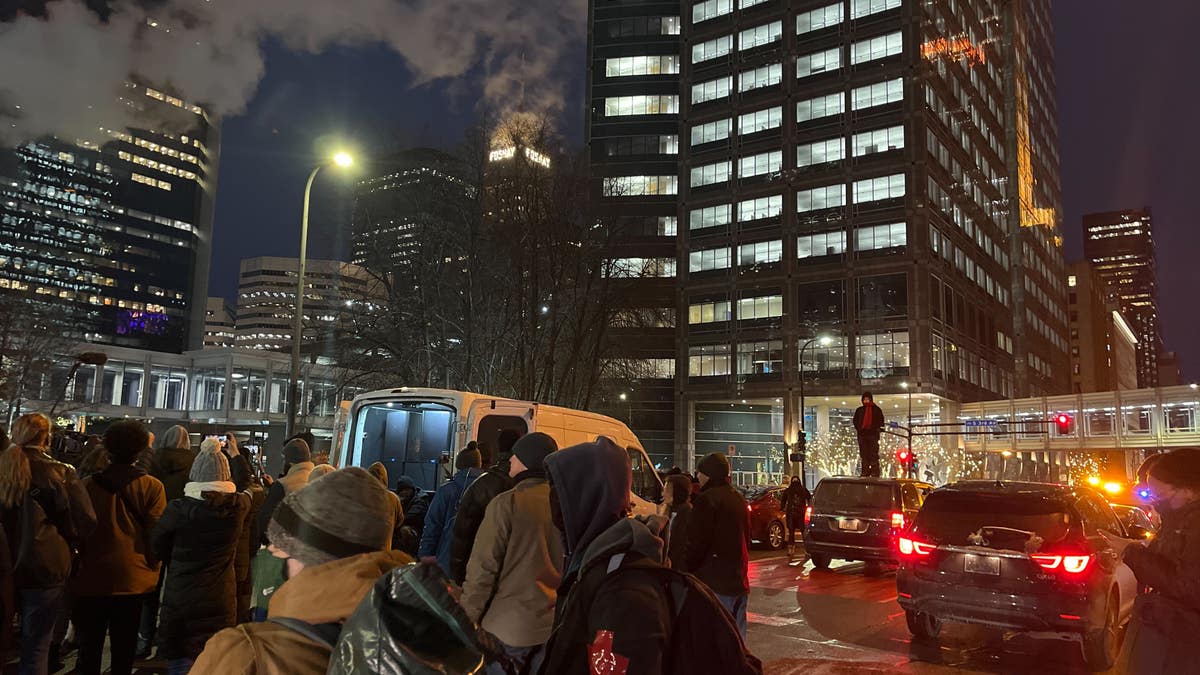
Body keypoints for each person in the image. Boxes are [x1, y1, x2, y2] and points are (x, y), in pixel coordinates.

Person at [190, 467, 410, 675]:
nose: (275, 551)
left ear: (309, 553)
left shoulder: (244, 654)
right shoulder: (417, 646)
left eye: (285, 546)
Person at [538, 437, 673, 675]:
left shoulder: (622, 588)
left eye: (559, 494)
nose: (553, 504)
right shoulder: (594, 561)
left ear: (586, 499)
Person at [0, 413, 96, 675]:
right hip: (44, 566)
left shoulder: (3, 465)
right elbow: (85, 521)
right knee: (37, 647)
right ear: (47, 436)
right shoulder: (61, 472)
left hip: (3, 565)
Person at [72, 420, 167, 675]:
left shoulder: (87, 485)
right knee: (124, 649)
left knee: (88, 647)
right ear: (139, 450)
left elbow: (76, 529)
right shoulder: (152, 486)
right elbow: (156, 534)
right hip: (133, 577)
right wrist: (153, 565)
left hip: (91, 574)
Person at [462, 433, 561, 674]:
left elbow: (482, 572)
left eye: (515, 458)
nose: (510, 463)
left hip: (507, 629)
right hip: (550, 628)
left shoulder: (507, 504)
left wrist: (464, 622)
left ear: (527, 461)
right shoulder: (563, 506)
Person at [152, 441, 251, 675]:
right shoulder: (237, 509)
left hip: (181, 597)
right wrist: (236, 455)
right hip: (220, 599)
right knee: (214, 660)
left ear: (194, 475)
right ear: (226, 478)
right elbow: (248, 485)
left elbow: (156, 547)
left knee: (180, 660)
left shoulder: (177, 510)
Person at [1101, 449, 1200, 674]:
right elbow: (1166, 564)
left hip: (1183, 645)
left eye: (1160, 495)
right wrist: (1128, 553)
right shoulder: (1179, 519)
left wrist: (1130, 552)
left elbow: (1190, 586)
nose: (1156, 502)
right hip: (1171, 638)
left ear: (1188, 490)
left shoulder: (1194, 524)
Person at [139, 424, 194, 657]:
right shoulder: (193, 462)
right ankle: (169, 640)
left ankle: (144, 636)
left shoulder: (153, 461)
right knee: (175, 587)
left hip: (156, 528)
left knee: (151, 587)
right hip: (182, 531)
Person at [687, 452, 751, 639]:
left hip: (714, 581)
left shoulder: (707, 500)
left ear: (709, 473)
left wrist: (689, 569)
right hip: (739, 579)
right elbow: (747, 537)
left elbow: (697, 543)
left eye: (700, 472)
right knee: (737, 640)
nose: (697, 477)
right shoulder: (738, 498)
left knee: (714, 640)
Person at [449, 429, 522, 583]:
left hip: (479, 570)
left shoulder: (483, 484)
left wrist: (457, 575)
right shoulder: (529, 488)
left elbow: (462, 534)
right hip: (515, 579)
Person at [419, 443, 484, 575]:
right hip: (478, 565)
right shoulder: (488, 489)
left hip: (447, 561)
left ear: (459, 465)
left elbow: (433, 525)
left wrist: (424, 554)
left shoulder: (447, 490)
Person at [223, 434, 267, 623]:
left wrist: (234, 457)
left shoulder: (229, 500)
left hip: (233, 558)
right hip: (247, 555)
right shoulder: (255, 493)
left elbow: (242, 485)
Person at [253, 437, 314, 547]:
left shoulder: (283, 484)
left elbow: (264, 521)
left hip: (285, 548)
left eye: (284, 459)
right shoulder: (318, 479)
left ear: (290, 462)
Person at [366, 462, 406, 550]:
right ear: (385, 479)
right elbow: (400, 521)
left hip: (362, 552)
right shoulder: (393, 498)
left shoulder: (362, 494)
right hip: (383, 549)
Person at [150, 425, 194, 503]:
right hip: (181, 506)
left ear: (165, 438)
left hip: (157, 502)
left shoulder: (154, 458)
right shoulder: (193, 461)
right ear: (187, 441)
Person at [394, 475, 431, 556]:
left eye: (407, 490)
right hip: (403, 527)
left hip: (418, 533)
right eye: (402, 490)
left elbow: (410, 517)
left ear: (412, 489)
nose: (405, 492)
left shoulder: (420, 500)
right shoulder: (404, 500)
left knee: (405, 531)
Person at [852, 392, 885, 477]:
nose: (866, 401)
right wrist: (859, 429)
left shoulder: (876, 410)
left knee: (873, 453)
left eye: (867, 399)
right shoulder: (859, 410)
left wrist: (877, 429)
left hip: (873, 435)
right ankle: (865, 471)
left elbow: (881, 421)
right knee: (864, 454)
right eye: (864, 399)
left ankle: (875, 471)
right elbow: (855, 421)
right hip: (862, 435)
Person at [665, 473, 693, 572]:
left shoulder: (686, 512)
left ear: (678, 492)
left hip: (678, 568)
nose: (663, 494)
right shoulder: (668, 511)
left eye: (667, 490)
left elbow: (680, 543)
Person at [780, 476, 812, 556]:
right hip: (801, 513)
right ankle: (806, 550)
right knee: (803, 532)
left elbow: (783, 500)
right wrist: (809, 507)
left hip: (791, 513)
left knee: (791, 532)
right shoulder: (803, 490)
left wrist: (782, 508)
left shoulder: (789, 490)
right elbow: (810, 499)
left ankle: (791, 550)